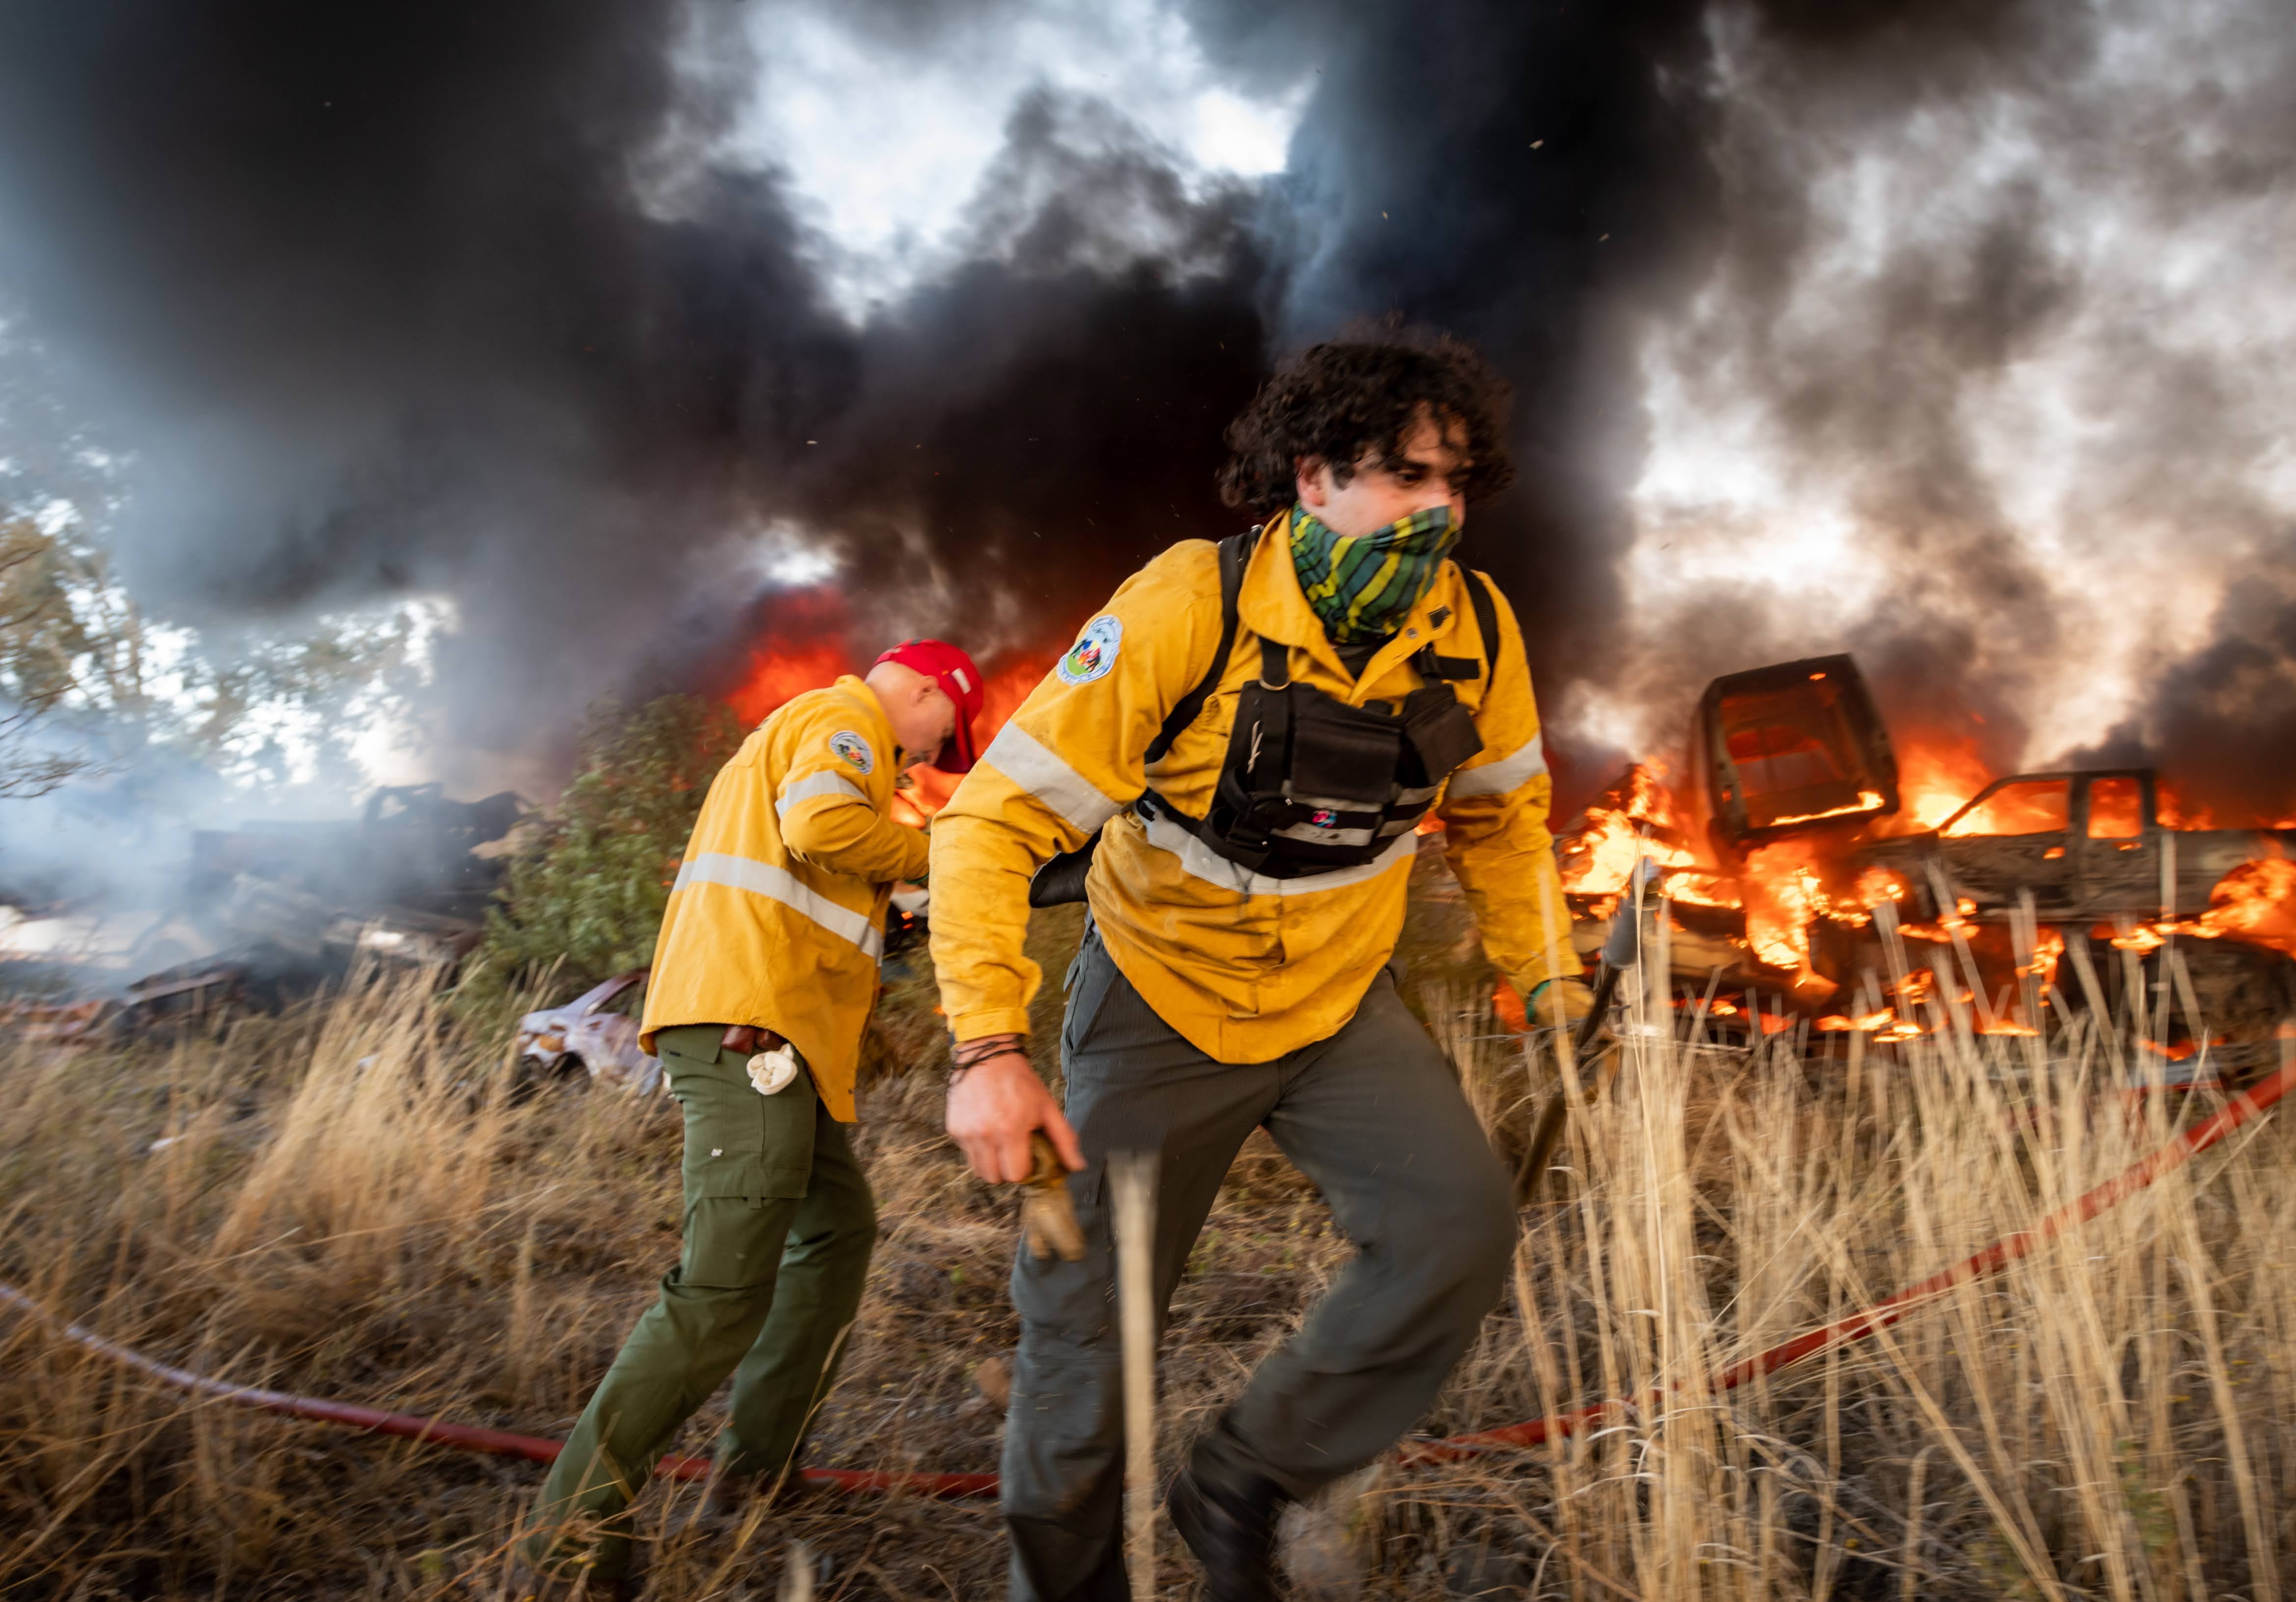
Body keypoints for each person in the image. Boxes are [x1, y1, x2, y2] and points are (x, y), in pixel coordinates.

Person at [929, 335, 1592, 1602]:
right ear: (1310, 478)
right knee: (1087, 1344)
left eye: (1455, 481)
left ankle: (1243, 1475)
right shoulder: (1194, 603)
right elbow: (988, 821)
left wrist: (1548, 977)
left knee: (1455, 1227)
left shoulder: (1478, 630)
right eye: (1402, 476)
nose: (1437, 509)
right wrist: (987, 1048)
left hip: (1341, 999)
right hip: (1158, 995)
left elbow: (1505, 817)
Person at [517, 640, 987, 1596]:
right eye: (946, 735)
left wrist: (904, 903)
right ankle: (566, 1545)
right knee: (722, 1289)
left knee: (839, 1230)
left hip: (780, 1043)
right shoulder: (843, 720)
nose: (934, 759)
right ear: (929, 692)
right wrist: (956, 848)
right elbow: (820, 827)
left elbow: (821, 875)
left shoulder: (831, 737)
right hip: (749, 1033)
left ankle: (756, 1468)